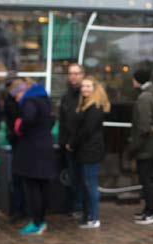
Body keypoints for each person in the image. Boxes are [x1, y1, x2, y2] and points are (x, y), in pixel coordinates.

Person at [9, 78, 57, 235]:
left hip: (32, 151)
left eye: (16, 96)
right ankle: (41, 220)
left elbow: (28, 118)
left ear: (22, 91)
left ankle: (36, 222)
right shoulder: (44, 99)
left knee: (32, 188)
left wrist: (20, 127)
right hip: (45, 148)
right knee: (42, 187)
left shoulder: (30, 101)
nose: (17, 100)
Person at [69, 76, 110, 229]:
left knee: (91, 184)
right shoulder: (86, 104)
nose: (84, 89)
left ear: (95, 88)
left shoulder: (95, 107)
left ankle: (94, 217)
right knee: (87, 184)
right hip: (85, 149)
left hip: (90, 150)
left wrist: (72, 143)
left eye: (88, 86)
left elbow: (87, 130)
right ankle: (89, 215)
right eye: (83, 86)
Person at [128, 69, 153, 225]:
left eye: (134, 78)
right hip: (149, 145)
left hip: (145, 147)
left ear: (138, 80)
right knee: (147, 178)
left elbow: (143, 127)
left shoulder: (144, 97)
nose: (132, 81)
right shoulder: (152, 94)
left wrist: (133, 147)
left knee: (146, 179)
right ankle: (148, 209)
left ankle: (151, 212)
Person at [58, 63, 85, 219]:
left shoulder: (86, 94)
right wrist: (63, 141)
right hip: (68, 145)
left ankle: (84, 208)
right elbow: (63, 120)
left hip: (83, 146)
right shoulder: (66, 96)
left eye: (76, 73)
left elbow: (85, 124)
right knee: (73, 177)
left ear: (82, 75)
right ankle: (76, 207)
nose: (73, 76)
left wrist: (73, 141)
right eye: (70, 74)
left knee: (84, 178)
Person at [1, 71, 26, 223]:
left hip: (20, 141)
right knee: (17, 178)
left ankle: (20, 209)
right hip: (17, 141)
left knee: (19, 178)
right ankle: (19, 208)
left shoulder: (19, 100)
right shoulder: (10, 99)